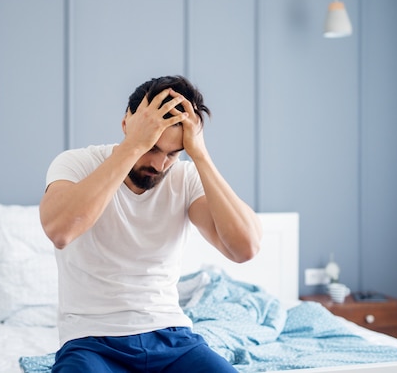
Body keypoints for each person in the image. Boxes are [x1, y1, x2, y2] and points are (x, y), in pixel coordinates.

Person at [39, 75, 262, 373]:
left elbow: (244, 248)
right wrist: (134, 145)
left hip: (172, 339)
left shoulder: (185, 178)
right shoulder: (76, 164)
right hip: (91, 342)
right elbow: (60, 230)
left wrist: (199, 154)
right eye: (152, 148)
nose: (158, 165)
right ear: (125, 125)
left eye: (172, 153)